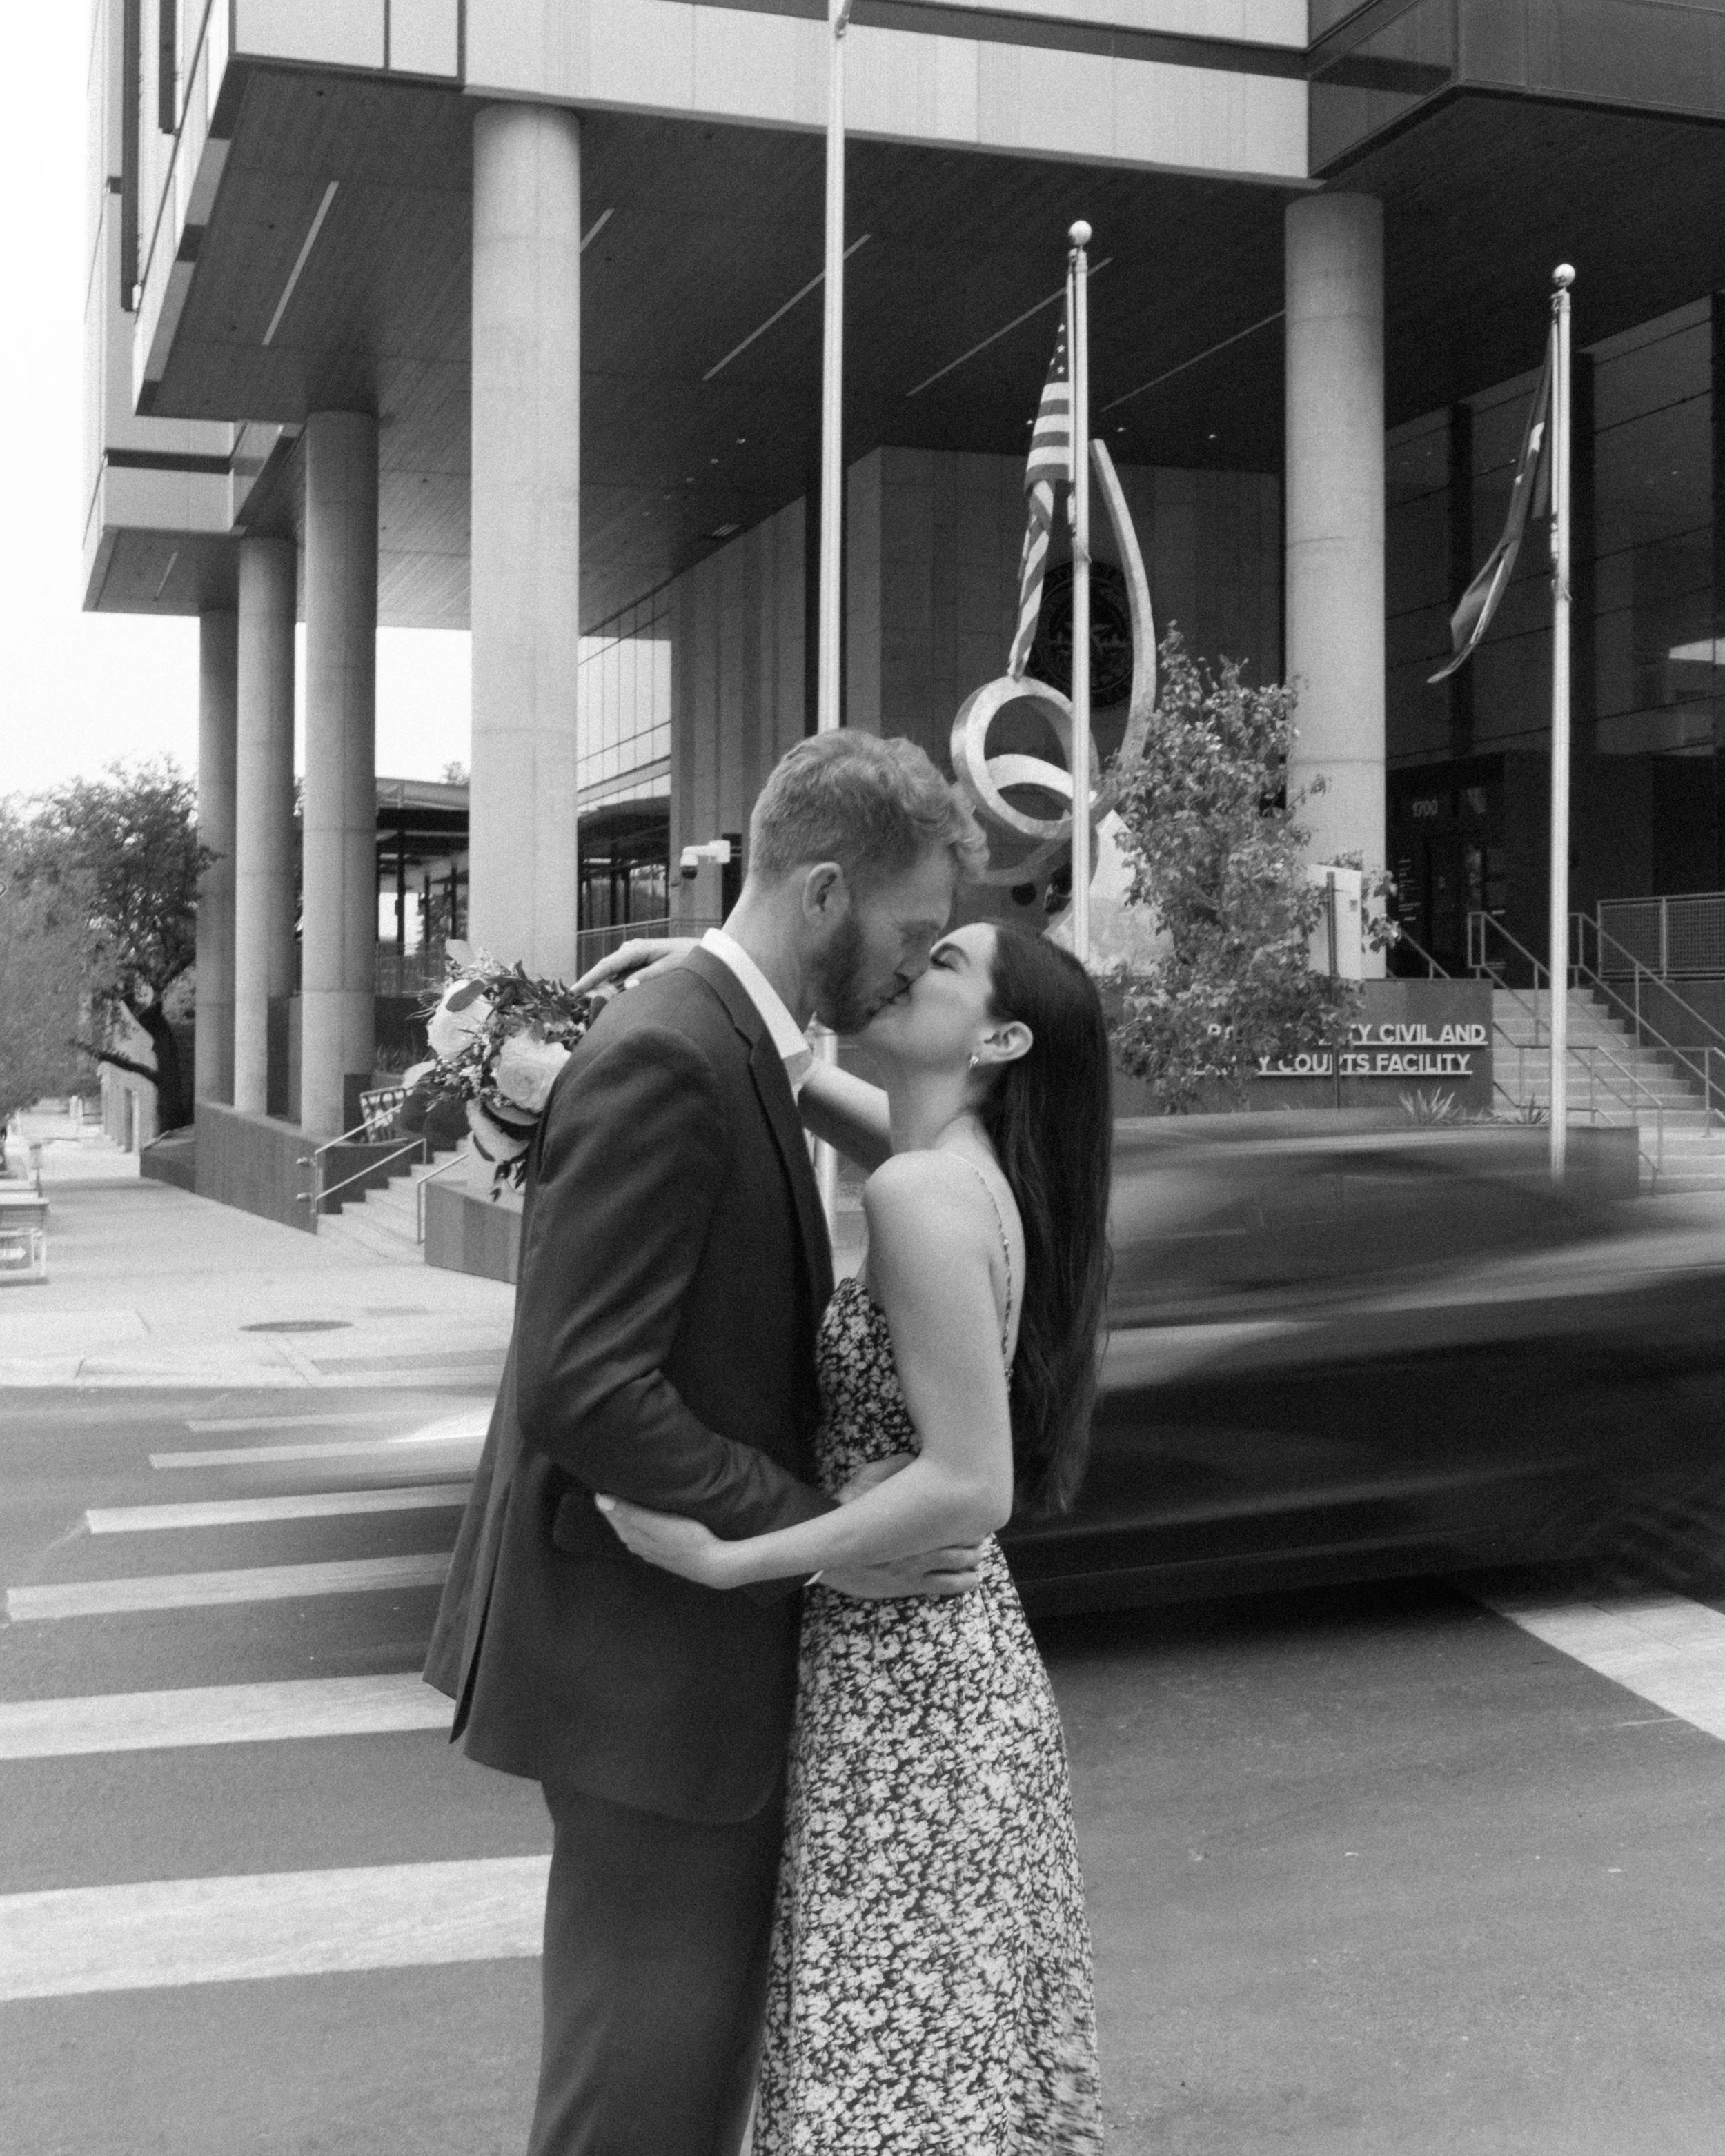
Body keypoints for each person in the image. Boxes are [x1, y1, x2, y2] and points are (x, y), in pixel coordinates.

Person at [422, 729, 991, 2156]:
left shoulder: (731, 1036)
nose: (912, 963)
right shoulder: (676, 1050)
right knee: (640, 2105)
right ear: (817, 894)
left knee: (678, 2093)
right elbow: (585, 1383)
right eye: (908, 930)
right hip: (645, 1671)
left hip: (674, 1671)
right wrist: (805, 1534)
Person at [599, 918, 1113, 2152]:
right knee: (927, 2078)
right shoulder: (961, 1161)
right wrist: (720, 968)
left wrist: (740, 1557)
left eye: (946, 963)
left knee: (880, 2085)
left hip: (913, 1702)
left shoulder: (923, 1190)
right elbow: (834, 1104)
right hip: (942, 1675)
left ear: (999, 1035)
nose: (910, 962)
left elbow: (970, 1485)